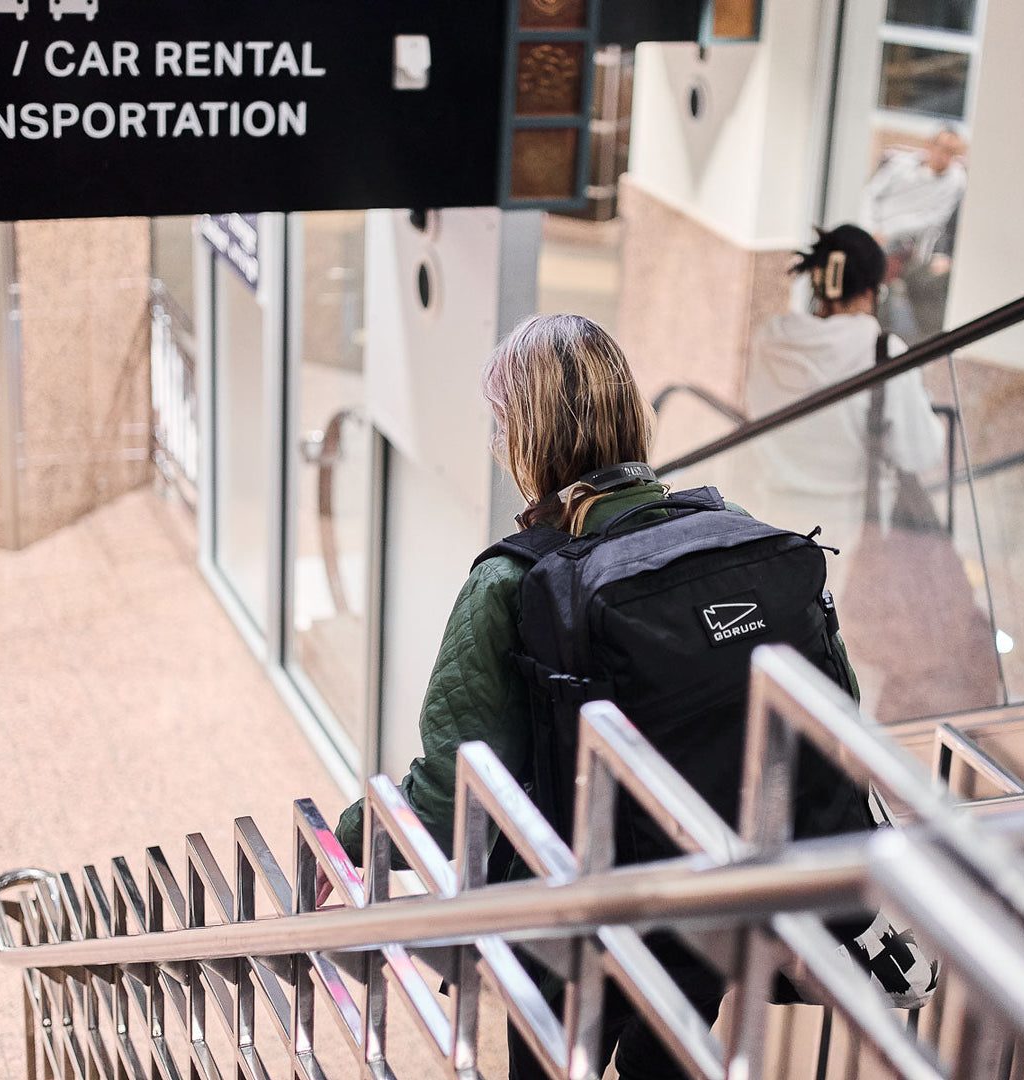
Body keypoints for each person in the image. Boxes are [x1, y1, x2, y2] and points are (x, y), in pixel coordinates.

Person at [324, 313, 871, 1079]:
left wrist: (345, 841)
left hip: (579, 917)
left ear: (526, 438)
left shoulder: (511, 580)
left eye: (502, 425)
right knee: (671, 1052)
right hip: (718, 889)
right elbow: (838, 698)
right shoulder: (729, 531)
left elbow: (453, 792)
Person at [743, 224, 946, 597]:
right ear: (873, 291)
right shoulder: (881, 353)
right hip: (843, 532)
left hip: (765, 511)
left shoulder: (771, 338)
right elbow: (920, 450)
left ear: (817, 285)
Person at [859, 126, 967, 342]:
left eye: (952, 152)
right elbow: (870, 194)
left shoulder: (956, 180)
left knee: (875, 264)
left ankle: (876, 326)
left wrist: (888, 233)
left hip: (905, 240)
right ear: (930, 145)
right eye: (943, 148)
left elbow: (934, 220)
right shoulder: (899, 165)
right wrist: (872, 228)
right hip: (873, 228)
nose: (946, 156)